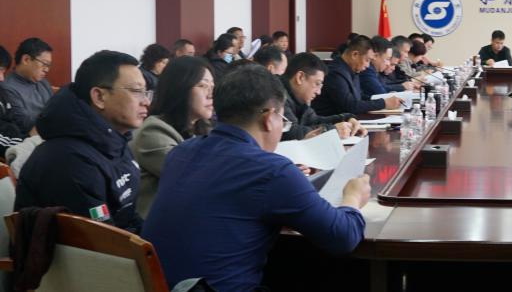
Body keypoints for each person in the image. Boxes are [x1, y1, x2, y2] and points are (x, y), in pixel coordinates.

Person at [142, 65, 370, 292]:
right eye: (283, 120)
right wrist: (352, 196)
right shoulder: (272, 171)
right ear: (269, 118)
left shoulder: (180, 153)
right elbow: (343, 237)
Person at [15, 50, 148, 233]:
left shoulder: (116, 139)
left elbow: (128, 214)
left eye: (145, 92)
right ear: (99, 97)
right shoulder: (69, 160)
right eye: (136, 91)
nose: (146, 102)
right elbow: (101, 238)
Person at [130, 56, 214, 218]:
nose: (210, 95)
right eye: (202, 86)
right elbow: (199, 177)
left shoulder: (201, 128)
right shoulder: (153, 131)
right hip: (157, 224)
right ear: (180, 88)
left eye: (212, 87)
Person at [281, 53, 363, 141]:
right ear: (300, 77)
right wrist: (332, 130)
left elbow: (314, 121)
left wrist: (347, 118)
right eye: (317, 83)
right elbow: (290, 132)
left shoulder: (298, 98)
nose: (318, 92)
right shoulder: (277, 95)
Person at [313, 35, 402, 116]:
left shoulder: (352, 69)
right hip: (329, 123)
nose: (368, 65)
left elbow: (360, 97)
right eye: (367, 60)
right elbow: (350, 106)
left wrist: (385, 99)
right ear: (355, 55)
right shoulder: (335, 73)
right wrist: (383, 103)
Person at [1, 37, 54, 125]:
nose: (46, 70)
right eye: (45, 64)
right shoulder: (6, 87)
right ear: (26, 59)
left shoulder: (43, 82)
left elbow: (55, 108)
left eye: (48, 65)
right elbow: (24, 123)